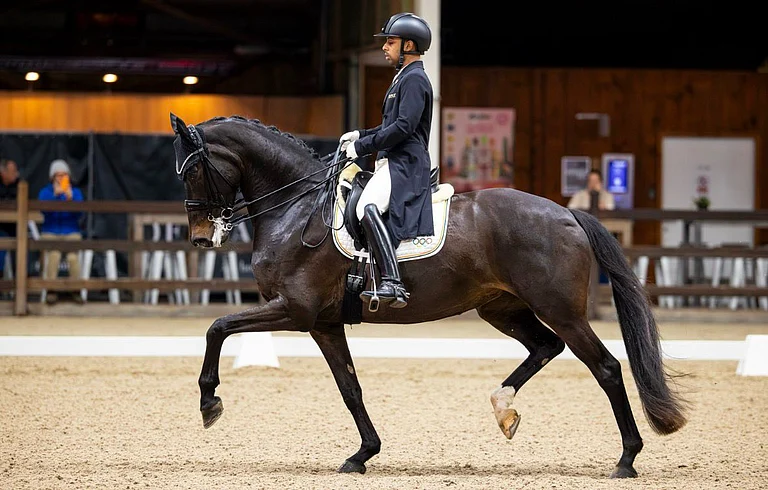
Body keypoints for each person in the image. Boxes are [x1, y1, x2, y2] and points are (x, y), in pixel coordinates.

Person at [339, 12, 434, 309]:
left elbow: (404, 128)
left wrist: (363, 148)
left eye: (390, 42)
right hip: (393, 161)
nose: (384, 47)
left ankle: (392, 281)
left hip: (405, 164)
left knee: (368, 207)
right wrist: (360, 135)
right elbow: (389, 125)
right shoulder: (402, 78)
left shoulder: (415, 79)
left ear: (408, 45)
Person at [38, 159, 85, 305]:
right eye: (58, 175)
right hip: (50, 231)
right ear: (52, 177)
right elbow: (44, 211)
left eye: (64, 175)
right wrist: (55, 196)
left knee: (72, 257)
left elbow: (80, 215)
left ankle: (76, 290)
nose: (62, 178)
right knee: (54, 254)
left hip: (71, 231)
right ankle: (51, 290)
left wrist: (71, 200)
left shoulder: (75, 192)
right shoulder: (45, 192)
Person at [0, 159, 20, 275]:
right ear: (3, 173)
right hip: (1, 226)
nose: (16, 174)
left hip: (15, 226)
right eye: (13, 171)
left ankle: (20, 276)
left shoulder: (20, 185)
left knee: (22, 243)